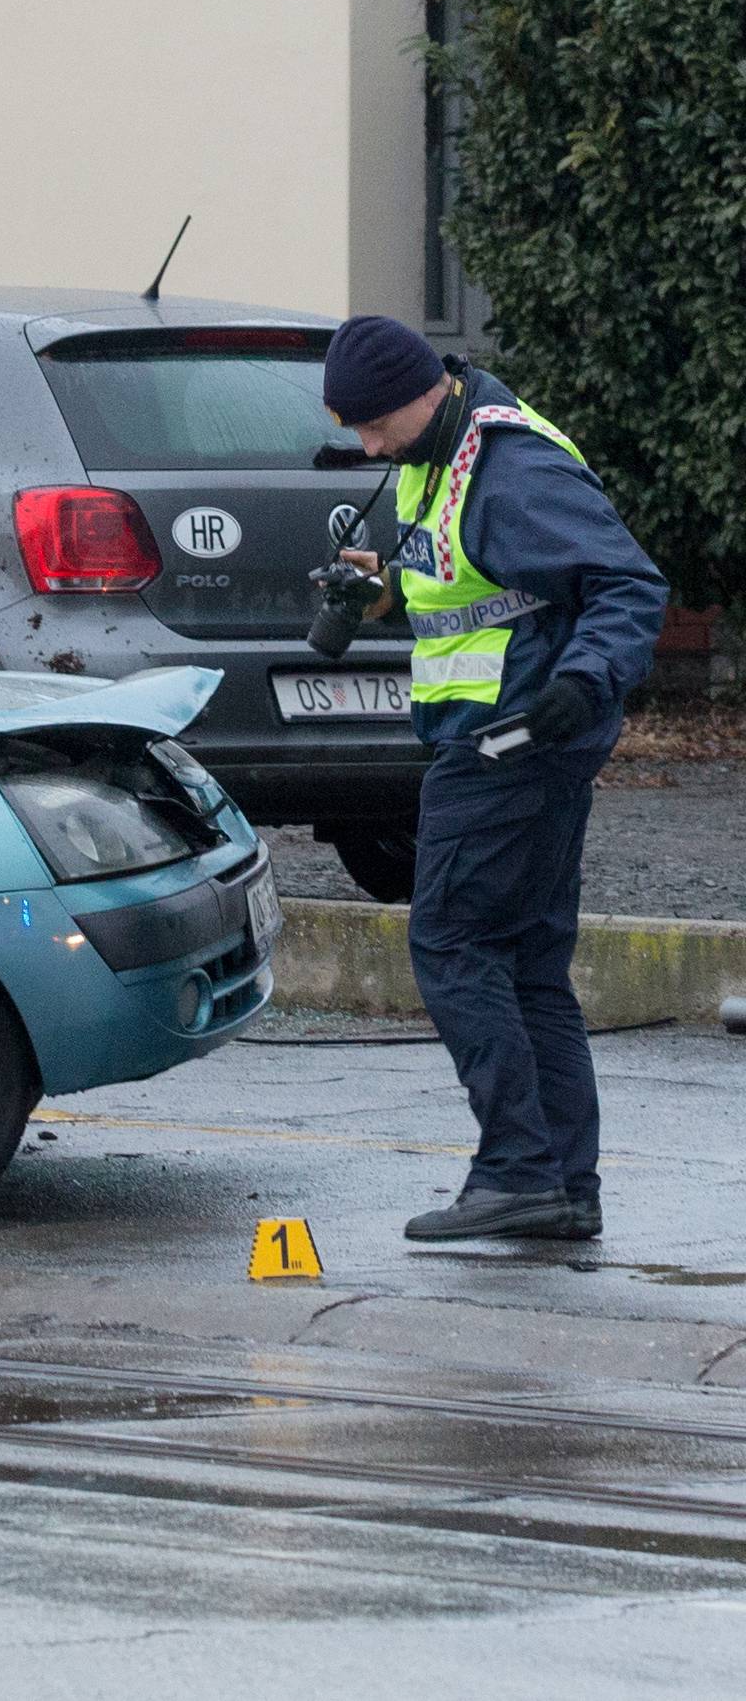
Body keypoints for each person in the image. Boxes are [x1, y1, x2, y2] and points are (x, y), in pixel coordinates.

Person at [320, 315, 667, 1243]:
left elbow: (629, 585)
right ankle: (562, 1188)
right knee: (527, 963)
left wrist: (583, 682)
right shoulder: (439, 454)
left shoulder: (513, 466)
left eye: (372, 425)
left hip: (510, 742)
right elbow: (475, 585)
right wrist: (381, 586)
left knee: (450, 942)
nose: (367, 444)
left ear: (418, 394)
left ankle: (515, 1169)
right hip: (504, 737)